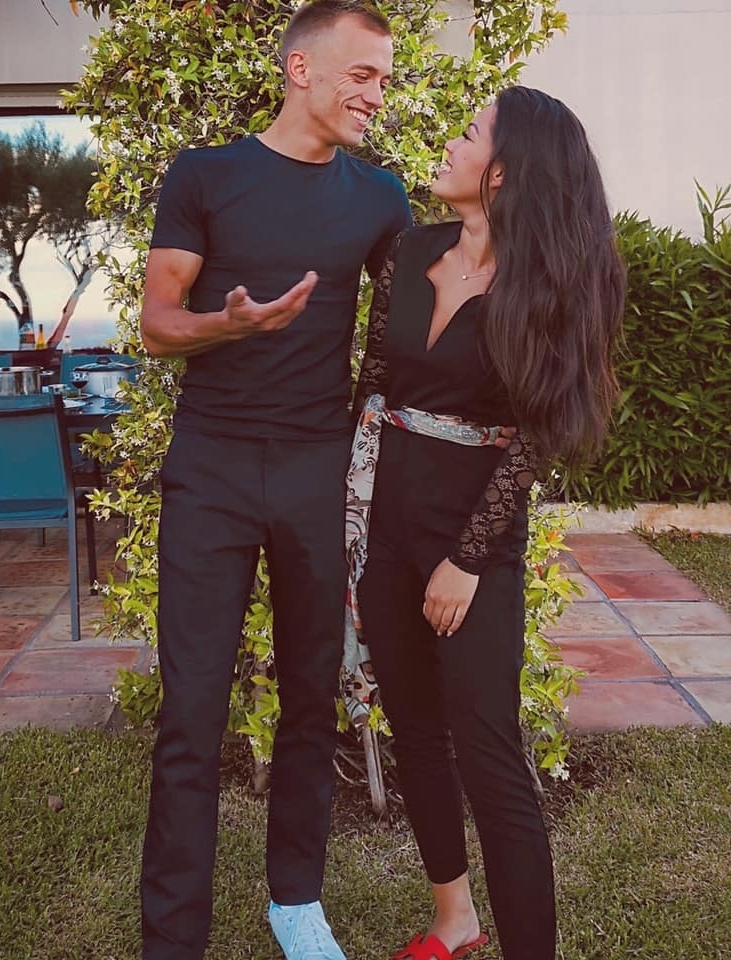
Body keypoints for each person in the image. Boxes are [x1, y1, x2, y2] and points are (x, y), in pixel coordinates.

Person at [138, 1, 412, 958]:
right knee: (191, 711)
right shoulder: (205, 175)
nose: (377, 95)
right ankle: (173, 936)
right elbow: (157, 323)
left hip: (314, 471)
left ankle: (295, 903)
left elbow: (413, 327)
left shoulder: (381, 198)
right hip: (210, 469)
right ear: (301, 69)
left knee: (309, 696)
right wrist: (227, 324)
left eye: (384, 79)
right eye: (362, 75)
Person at [347, 86, 626, 960]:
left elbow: (536, 437)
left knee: (491, 755)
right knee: (414, 731)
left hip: (474, 541)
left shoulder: (550, 283)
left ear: (503, 171)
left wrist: (467, 559)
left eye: (469, 133)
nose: (450, 142)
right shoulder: (409, 251)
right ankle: (454, 920)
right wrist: (349, 525)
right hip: (384, 529)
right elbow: (371, 387)